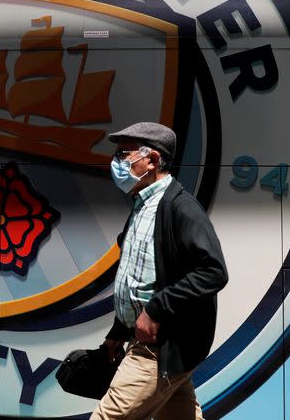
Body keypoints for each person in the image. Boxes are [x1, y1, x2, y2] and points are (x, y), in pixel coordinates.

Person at [91, 122, 228, 420]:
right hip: (149, 341)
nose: (116, 163)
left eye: (123, 155)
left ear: (151, 159)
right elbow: (136, 277)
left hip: (160, 345)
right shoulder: (142, 205)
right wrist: (118, 331)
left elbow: (213, 271)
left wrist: (156, 310)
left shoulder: (181, 208)